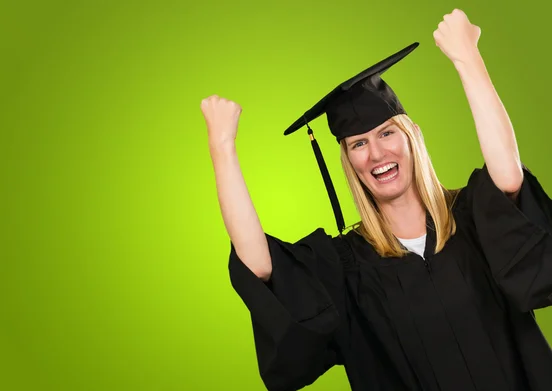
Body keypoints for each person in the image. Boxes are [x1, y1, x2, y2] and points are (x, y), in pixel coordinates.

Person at [201, 9, 552, 391]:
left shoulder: (471, 219)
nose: (376, 154)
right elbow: (259, 265)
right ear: (349, 160)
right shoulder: (346, 267)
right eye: (359, 144)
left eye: (386, 133)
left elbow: (508, 175)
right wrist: (223, 149)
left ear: (411, 136)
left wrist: (468, 59)